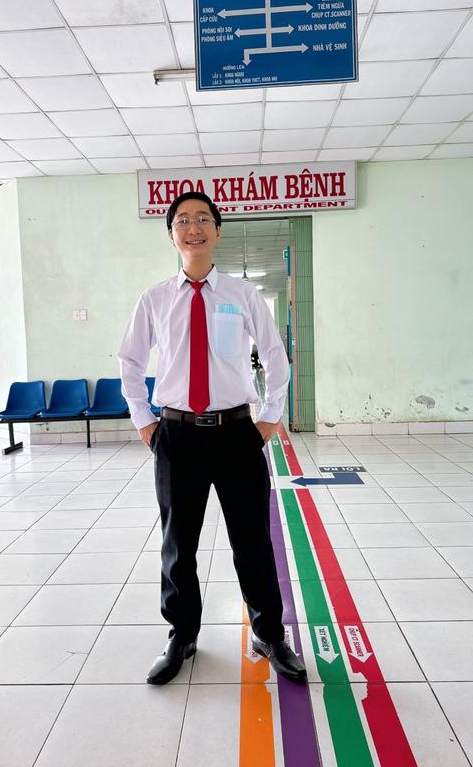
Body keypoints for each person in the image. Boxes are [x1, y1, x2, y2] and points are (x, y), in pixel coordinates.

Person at [119, 191, 306, 685]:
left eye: (203, 219)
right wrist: (143, 419)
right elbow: (130, 361)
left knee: (253, 541)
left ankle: (269, 634)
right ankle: (182, 635)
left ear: (218, 231)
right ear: (172, 235)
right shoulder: (155, 299)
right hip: (176, 435)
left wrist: (270, 417)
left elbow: (275, 356)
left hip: (236, 435)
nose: (193, 228)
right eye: (183, 221)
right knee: (178, 545)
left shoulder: (243, 295)